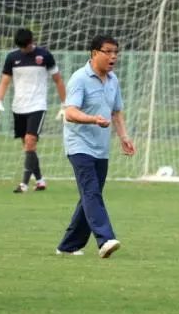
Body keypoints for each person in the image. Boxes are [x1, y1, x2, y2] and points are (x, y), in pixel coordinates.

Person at [56, 35, 135, 258]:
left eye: (116, 52)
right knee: (91, 192)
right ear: (94, 53)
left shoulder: (113, 80)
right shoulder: (79, 79)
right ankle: (106, 239)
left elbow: (116, 111)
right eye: (108, 51)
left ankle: (68, 245)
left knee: (90, 196)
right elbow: (70, 112)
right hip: (79, 146)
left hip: (101, 148)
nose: (113, 57)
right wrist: (93, 119)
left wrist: (124, 137)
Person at [0, 28, 66, 193]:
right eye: (22, 47)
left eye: (27, 46)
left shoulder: (44, 56)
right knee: (28, 147)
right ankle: (40, 181)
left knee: (30, 141)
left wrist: (64, 104)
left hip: (38, 106)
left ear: (32, 41)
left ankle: (24, 184)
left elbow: (58, 80)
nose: (25, 50)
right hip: (19, 107)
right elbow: (5, 81)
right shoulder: (12, 57)